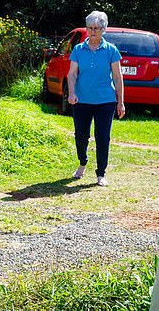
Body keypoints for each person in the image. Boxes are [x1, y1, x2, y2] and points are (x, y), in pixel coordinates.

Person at [68, 10, 125, 186]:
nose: (93, 31)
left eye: (97, 28)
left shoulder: (111, 51)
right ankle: (82, 163)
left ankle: (101, 173)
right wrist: (71, 92)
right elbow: (72, 74)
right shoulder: (78, 49)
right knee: (81, 135)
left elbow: (117, 77)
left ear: (103, 29)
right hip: (82, 100)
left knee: (102, 137)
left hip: (105, 101)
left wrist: (121, 102)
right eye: (90, 27)